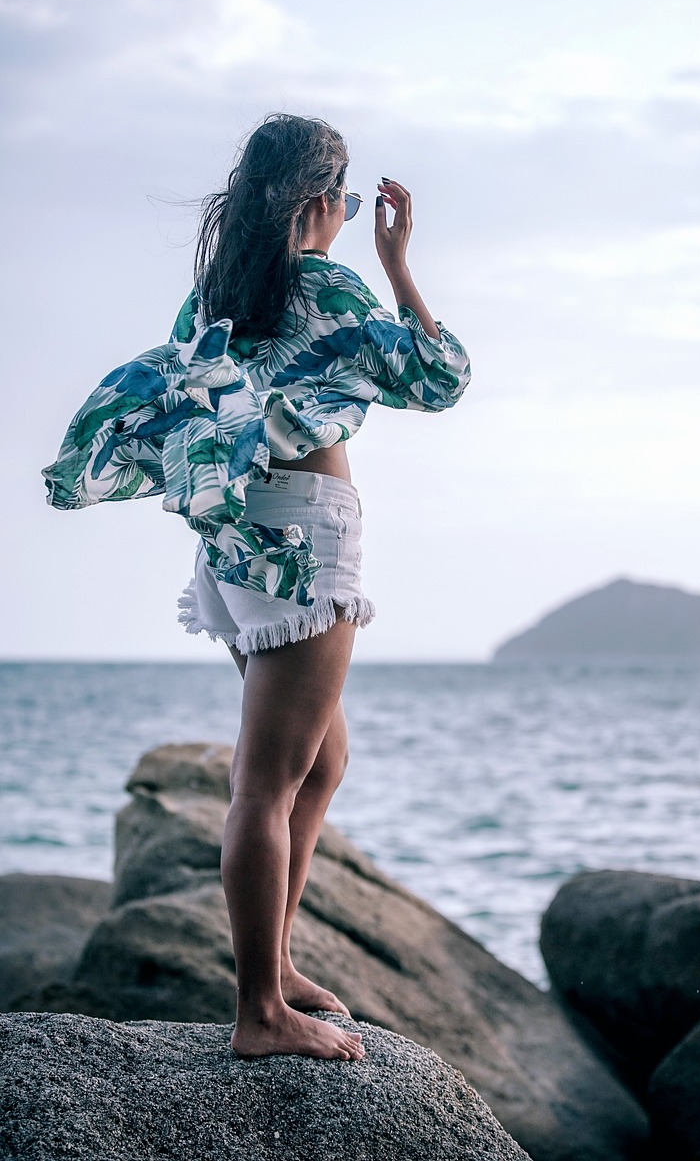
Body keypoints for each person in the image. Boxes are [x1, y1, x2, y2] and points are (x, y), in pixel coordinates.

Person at [171, 114, 471, 1060]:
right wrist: (397, 264)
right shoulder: (325, 283)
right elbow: (439, 380)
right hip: (303, 537)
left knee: (320, 761)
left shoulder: (214, 294)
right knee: (263, 786)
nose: (346, 216)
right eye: (342, 202)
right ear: (318, 201)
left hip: (235, 545)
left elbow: (187, 406)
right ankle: (261, 1011)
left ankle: (279, 965)